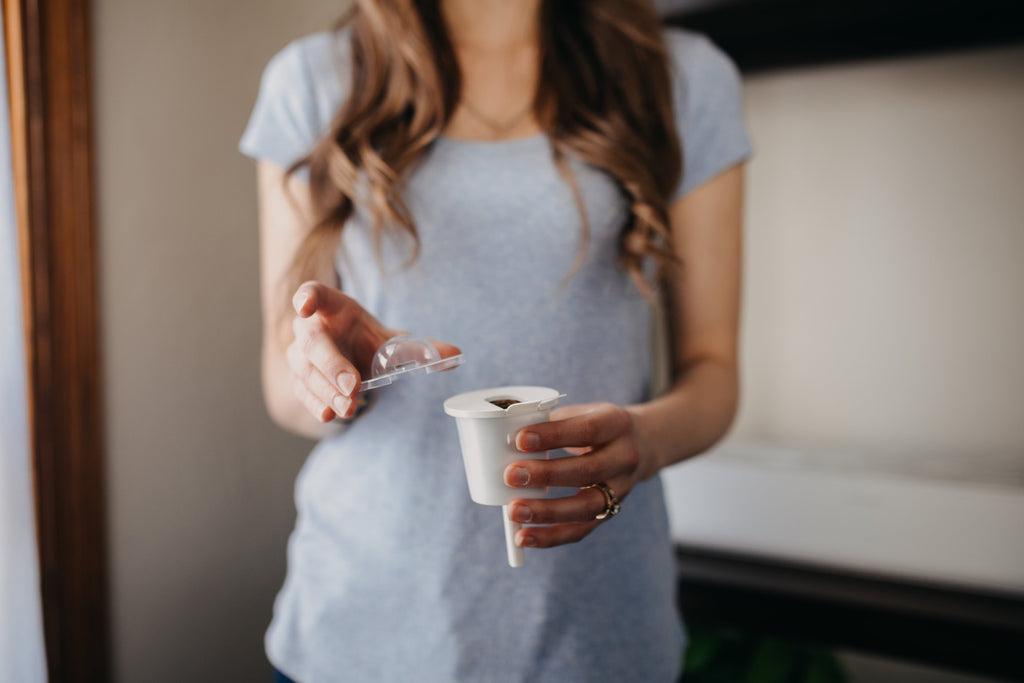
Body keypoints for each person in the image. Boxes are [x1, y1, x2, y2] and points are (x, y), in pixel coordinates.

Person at [240, 0, 750, 680]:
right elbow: (285, 387)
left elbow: (712, 369)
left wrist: (643, 439)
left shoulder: (683, 78)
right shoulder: (312, 83)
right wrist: (344, 378)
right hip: (361, 634)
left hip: (598, 636)